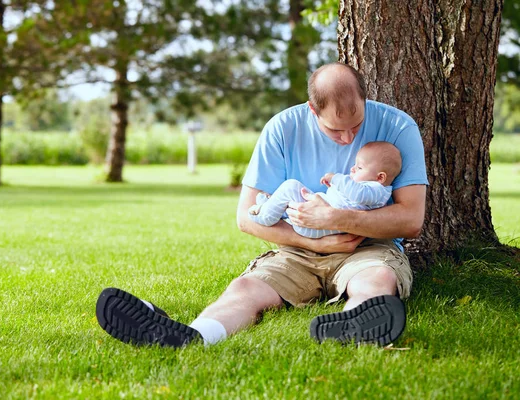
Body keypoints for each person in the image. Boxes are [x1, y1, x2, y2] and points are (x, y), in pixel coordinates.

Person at [96, 62, 428, 348]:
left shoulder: (398, 127)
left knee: (376, 281)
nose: (347, 138)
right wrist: (312, 240)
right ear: (313, 110)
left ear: (365, 99)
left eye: (355, 125)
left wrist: (335, 217)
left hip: (368, 248)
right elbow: (246, 217)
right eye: (334, 129)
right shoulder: (283, 128)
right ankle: (194, 334)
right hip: (298, 249)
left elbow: (411, 218)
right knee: (245, 289)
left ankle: (353, 328)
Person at [248, 141, 402, 239]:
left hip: (319, 226)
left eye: (359, 167)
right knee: (293, 195)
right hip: (318, 220)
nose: (352, 169)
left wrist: (336, 178)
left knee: (291, 186)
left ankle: (265, 217)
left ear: (380, 177)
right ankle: (271, 206)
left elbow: (358, 193)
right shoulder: (372, 190)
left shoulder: (377, 190)